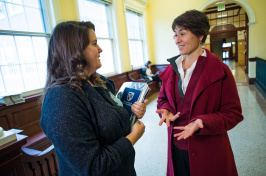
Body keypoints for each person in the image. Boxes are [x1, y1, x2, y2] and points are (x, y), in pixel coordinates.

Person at [40, 21, 148, 176]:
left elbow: (109, 120)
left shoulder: (98, 81)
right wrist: (133, 137)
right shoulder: (61, 100)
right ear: (76, 51)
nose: (100, 49)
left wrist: (130, 111)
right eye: (94, 43)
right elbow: (93, 167)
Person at [156, 10, 243, 176]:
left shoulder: (220, 70)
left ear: (200, 36)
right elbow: (162, 99)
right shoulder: (172, 69)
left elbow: (233, 113)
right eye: (175, 34)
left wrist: (202, 122)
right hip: (176, 149)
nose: (177, 40)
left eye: (182, 34)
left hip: (208, 151)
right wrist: (165, 110)